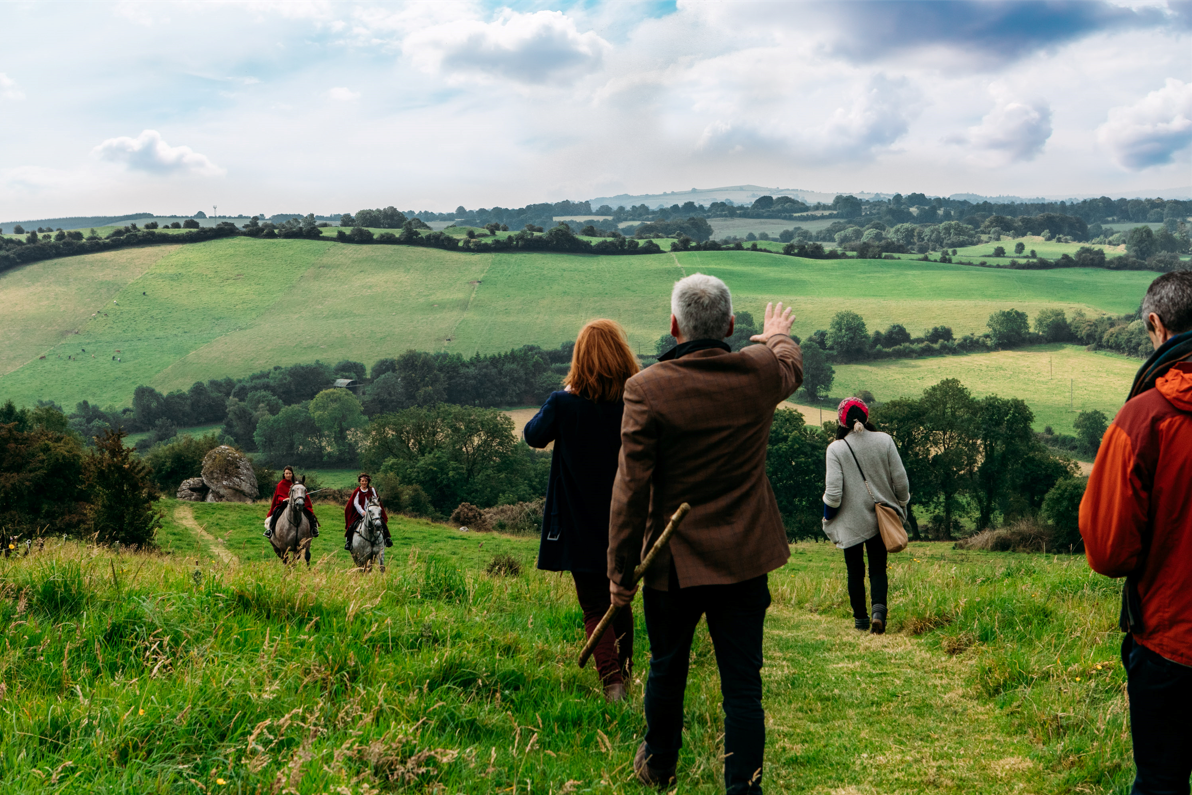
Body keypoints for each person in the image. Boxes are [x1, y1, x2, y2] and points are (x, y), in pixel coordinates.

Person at [608, 273, 802, 794]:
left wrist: (619, 574)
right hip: (744, 558)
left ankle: (660, 765)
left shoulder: (646, 389)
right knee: (743, 686)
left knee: (667, 667)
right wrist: (775, 333)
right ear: (731, 325)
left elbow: (629, 493)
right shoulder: (758, 372)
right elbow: (790, 364)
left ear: (674, 326)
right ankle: (743, 786)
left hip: (672, 564)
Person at [1080, 271, 1192, 795]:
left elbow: (1108, 551)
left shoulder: (1142, 418)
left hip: (1171, 641)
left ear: (1155, 324)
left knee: (1160, 783)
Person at [524, 319, 641, 702]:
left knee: (594, 603)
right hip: (626, 518)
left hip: (576, 522)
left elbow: (533, 435)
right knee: (620, 599)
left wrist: (563, 394)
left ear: (580, 359)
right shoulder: (634, 402)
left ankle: (612, 681)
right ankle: (623, 674)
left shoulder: (564, 404)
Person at [821, 397, 909, 634]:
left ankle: (860, 619)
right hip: (882, 519)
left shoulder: (836, 449)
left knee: (854, 570)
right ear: (866, 417)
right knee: (878, 568)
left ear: (842, 421)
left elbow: (834, 494)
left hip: (851, 521)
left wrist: (827, 517)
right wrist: (901, 507)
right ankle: (879, 614)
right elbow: (901, 483)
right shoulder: (885, 440)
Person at [264, 466, 319, 538]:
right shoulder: (280, 484)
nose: (288, 475)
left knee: (309, 514)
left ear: (292, 474)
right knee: (275, 513)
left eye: (289, 473)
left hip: (298, 504)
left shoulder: (297, 484)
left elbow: (302, 493)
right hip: (284, 505)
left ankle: (313, 529)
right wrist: (285, 499)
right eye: (286, 473)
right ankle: (270, 530)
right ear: (284, 474)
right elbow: (278, 496)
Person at [344, 473, 391, 550]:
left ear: (368, 482)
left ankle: (387, 538)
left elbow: (376, 499)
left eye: (365, 481)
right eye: (362, 481)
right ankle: (348, 542)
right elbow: (355, 503)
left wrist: (374, 509)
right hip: (360, 514)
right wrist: (362, 512)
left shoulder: (372, 490)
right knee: (352, 525)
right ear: (360, 481)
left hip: (372, 512)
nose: (364, 483)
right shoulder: (357, 491)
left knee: (382, 522)